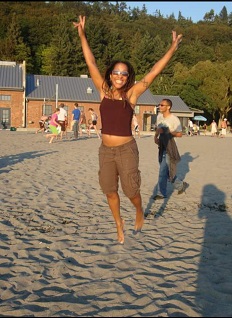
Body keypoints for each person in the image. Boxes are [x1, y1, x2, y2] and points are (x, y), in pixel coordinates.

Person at [73, 15, 182, 244]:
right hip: (106, 151)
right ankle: (119, 224)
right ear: (110, 75)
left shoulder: (132, 94)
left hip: (126, 149)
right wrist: (82, 34)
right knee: (109, 191)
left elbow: (154, 72)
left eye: (124, 73)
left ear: (127, 76)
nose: (120, 76)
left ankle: (139, 210)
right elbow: (90, 62)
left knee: (131, 192)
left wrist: (172, 49)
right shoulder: (103, 91)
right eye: (116, 72)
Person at [153, 99, 188, 201]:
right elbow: (158, 129)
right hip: (162, 146)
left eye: (162, 105)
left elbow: (180, 134)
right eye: (159, 105)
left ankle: (161, 193)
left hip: (170, 147)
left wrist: (168, 131)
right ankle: (180, 185)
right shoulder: (159, 117)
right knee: (166, 170)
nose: (160, 106)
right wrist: (156, 137)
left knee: (163, 170)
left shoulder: (174, 119)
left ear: (168, 107)